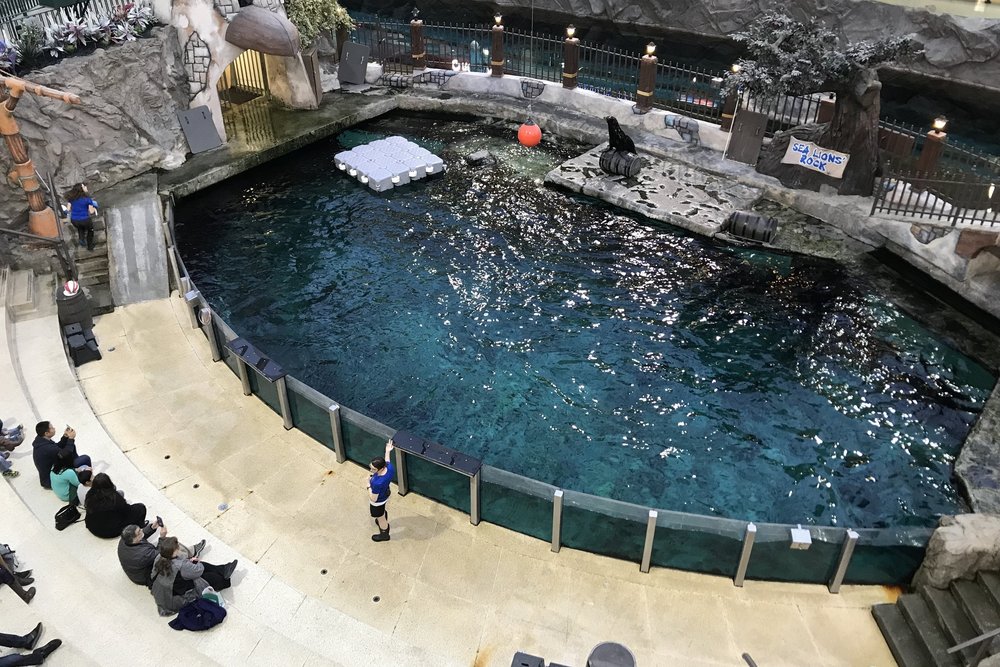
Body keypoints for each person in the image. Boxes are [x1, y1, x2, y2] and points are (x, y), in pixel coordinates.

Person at [149, 537, 237, 616]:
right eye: (177, 546)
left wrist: (189, 562)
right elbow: (198, 571)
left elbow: (153, 574)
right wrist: (195, 562)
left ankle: (223, 569)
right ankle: (223, 571)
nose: (178, 546)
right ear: (173, 552)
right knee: (213, 577)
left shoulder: (159, 557)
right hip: (180, 596)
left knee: (195, 565)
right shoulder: (181, 565)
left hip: (165, 592)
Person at [118, 522, 205, 587]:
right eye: (139, 532)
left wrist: (152, 527)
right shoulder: (143, 555)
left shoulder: (125, 540)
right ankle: (190, 554)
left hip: (135, 570)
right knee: (170, 547)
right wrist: (162, 537)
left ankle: (188, 553)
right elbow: (161, 553)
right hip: (146, 575)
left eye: (140, 529)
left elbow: (142, 535)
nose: (142, 530)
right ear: (134, 539)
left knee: (169, 544)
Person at [83, 473, 146, 538]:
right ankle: (140, 529)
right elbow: (128, 511)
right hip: (110, 532)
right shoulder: (115, 498)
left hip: (92, 527)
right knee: (140, 507)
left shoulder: (89, 494)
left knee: (120, 493)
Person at [31, 422, 91, 490]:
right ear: (46, 433)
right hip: (52, 480)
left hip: (52, 470)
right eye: (52, 428)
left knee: (71, 446)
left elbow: (57, 447)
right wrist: (71, 438)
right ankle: (87, 477)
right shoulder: (47, 448)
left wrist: (65, 436)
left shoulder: (41, 440)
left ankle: (78, 468)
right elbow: (65, 453)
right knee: (85, 459)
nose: (54, 428)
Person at [365, 439, 395, 542]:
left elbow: (373, 498)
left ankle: (384, 534)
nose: (371, 470)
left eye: (374, 469)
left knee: (380, 517)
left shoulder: (378, 483)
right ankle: (382, 516)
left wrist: (368, 485)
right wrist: (387, 451)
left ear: (381, 469)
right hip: (385, 494)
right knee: (382, 511)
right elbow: (387, 461)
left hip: (378, 501)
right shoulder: (389, 468)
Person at [64, 183, 99, 251]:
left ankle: (81, 239)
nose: (85, 187)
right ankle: (90, 247)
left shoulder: (71, 199)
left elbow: (68, 209)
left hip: (74, 220)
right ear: (81, 189)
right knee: (90, 231)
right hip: (85, 220)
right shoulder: (87, 199)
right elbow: (91, 211)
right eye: (84, 186)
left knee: (80, 227)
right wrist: (94, 207)